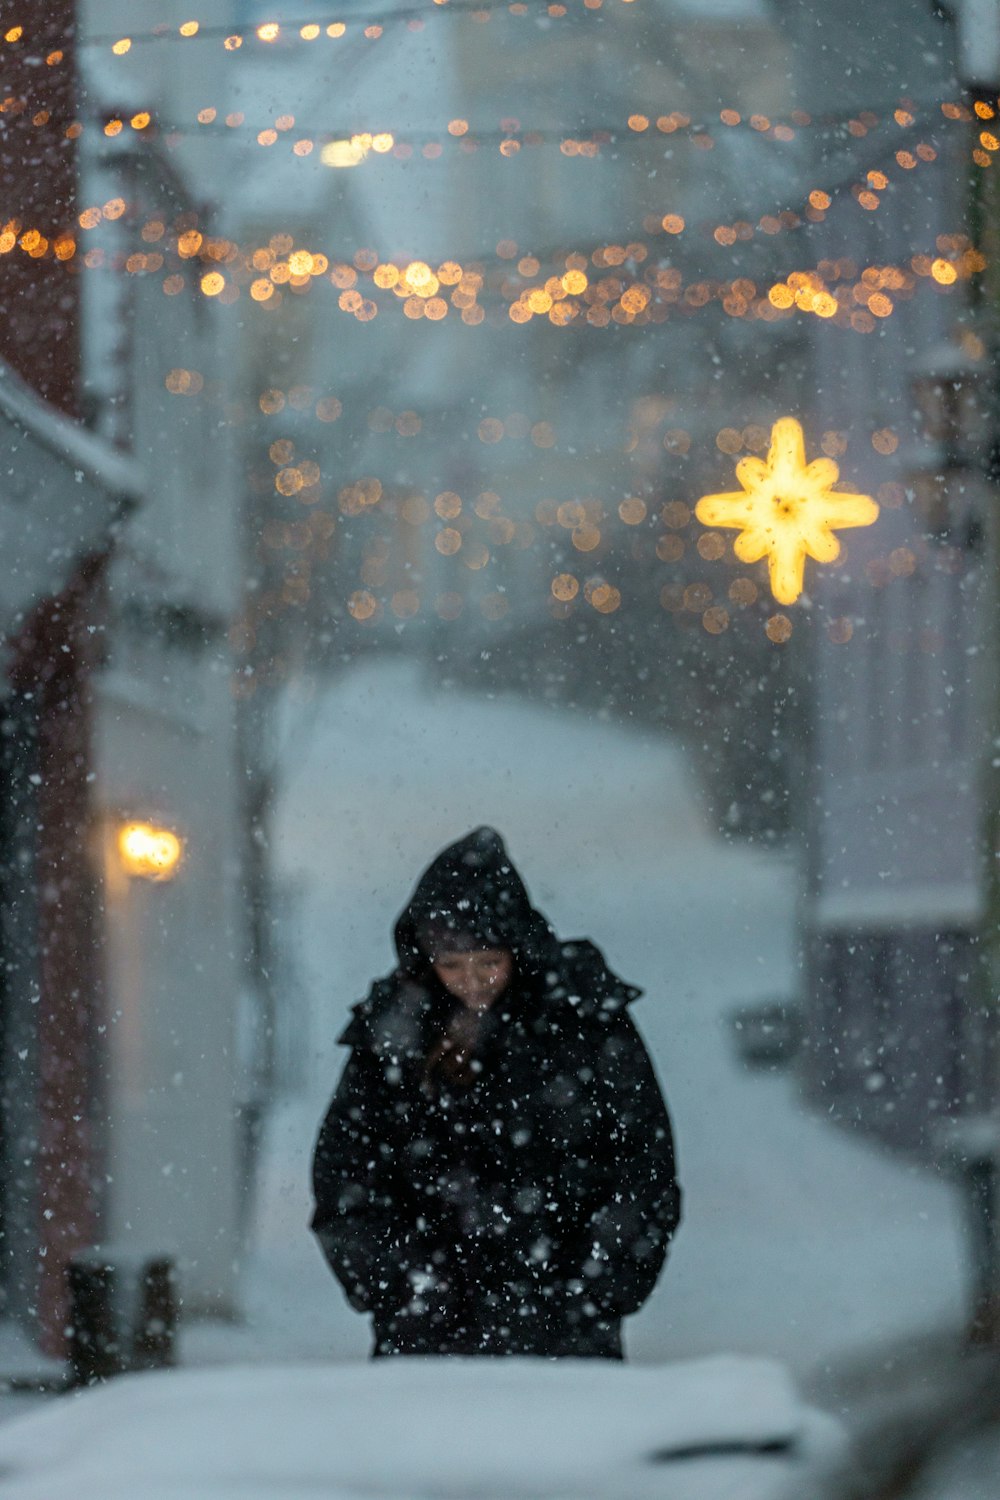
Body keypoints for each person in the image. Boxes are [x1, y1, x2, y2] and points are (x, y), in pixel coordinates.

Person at [310, 826, 681, 1359]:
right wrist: (402, 1288)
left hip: (562, 1321)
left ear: (517, 949)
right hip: (429, 1329)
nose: (472, 981)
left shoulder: (580, 1022)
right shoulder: (394, 1034)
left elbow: (642, 1161)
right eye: (452, 965)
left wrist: (596, 1289)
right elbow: (348, 1170)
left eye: (489, 962)